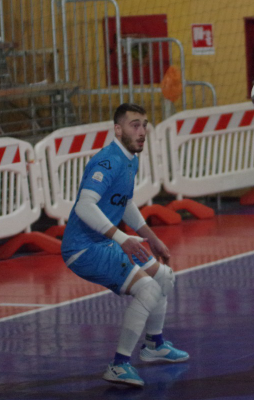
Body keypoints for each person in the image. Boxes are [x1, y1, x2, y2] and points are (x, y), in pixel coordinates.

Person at [61, 103, 189, 387]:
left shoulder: (130, 158)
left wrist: (151, 237)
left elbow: (125, 201)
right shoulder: (107, 162)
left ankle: (154, 344)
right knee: (148, 288)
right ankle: (119, 365)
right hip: (83, 248)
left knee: (164, 276)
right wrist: (122, 239)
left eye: (144, 125)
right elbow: (84, 206)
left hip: (105, 242)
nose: (141, 131)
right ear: (117, 130)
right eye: (134, 125)